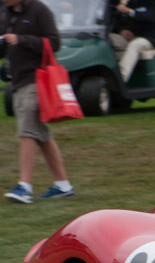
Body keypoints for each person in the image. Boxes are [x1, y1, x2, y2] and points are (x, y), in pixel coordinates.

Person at [1, 0, 75, 204]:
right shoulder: (5, 11)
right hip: (17, 80)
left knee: (27, 132)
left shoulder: (39, 9)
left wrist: (21, 40)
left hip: (36, 79)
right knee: (41, 136)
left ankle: (24, 186)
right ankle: (63, 185)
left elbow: (54, 43)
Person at [110, 0, 155, 82]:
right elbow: (117, 19)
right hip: (129, 37)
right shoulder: (131, 2)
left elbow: (151, 17)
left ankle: (120, 79)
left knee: (135, 45)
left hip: (149, 38)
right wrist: (121, 30)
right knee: (107, 40)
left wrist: (130, 11)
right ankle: (100, 73)